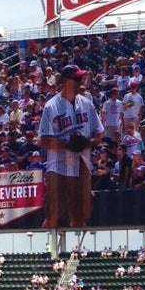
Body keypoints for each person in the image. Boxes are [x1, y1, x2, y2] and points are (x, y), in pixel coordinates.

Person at [38, 65, 104, 228]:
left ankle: (77, 252)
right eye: (76, 79)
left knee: (79, 217)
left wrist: (88, 142)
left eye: (81, 78)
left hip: (82, 164)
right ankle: (44, 251)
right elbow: (43, 140)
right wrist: (66, 144)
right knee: (53, 216)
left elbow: (100, 134)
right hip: (58, 165)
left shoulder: (87, 104)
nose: (80, 81)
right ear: (65, 81)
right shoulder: (51, 106)